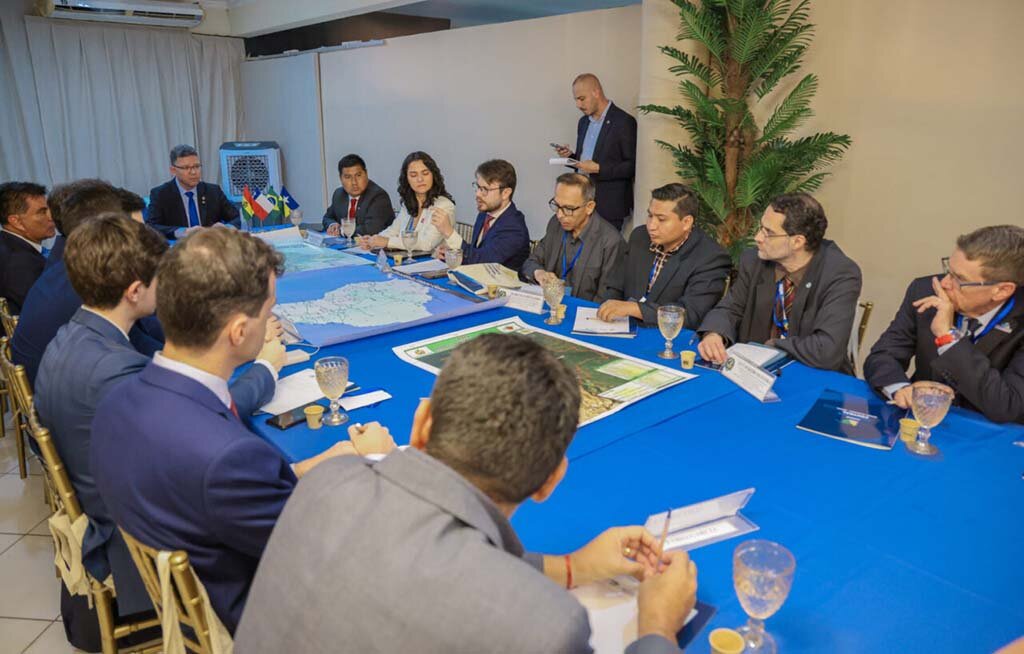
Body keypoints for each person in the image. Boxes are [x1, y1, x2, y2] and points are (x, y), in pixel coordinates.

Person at [235, 333, 698, 654]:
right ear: (550, 481)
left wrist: (573, 567)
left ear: (421, 425)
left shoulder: (326, 481)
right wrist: (658, 627)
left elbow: (421, 563)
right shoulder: (545, 626)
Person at [89, 228, 355, 633]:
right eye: (269, 312)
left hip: (182, 584)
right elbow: (311, 545)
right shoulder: (229, 458)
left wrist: (315, 466)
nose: (272, 323)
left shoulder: (115, 402)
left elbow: (218, 494)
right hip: (254, 617)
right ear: (239, 331)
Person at [34, 213, 167, 649]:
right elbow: (191, 430)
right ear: (134, 291)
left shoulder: (73, 334)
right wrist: (262, 368)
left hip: (100, 498)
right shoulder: (113, 368)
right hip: (130, 541)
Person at [864, 225, 1024, 424]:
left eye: (960, 279)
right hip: (921, 419)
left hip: (987, 432)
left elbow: (1008, 405)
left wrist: (948, 337)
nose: (945, 283)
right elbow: (883, 356)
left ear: (1002, 290)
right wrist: (900, 389)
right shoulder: (925, 291)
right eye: (949, 270)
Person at [12, 181, 162, 386]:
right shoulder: (92, 282)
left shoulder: (71, 265)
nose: (144, 239)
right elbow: (140, 351)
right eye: (136, 232)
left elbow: (140, 331)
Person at [697, 193, 862, 373]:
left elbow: (826, 349)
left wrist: (773, 346)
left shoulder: (840, 274)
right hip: (755, 373)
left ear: (797, 241)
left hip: (812, 374)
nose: (757, 237)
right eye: (761, 228)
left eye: (768, 233)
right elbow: (729, 309)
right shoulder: (754, 261)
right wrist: (714, 333)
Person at [599, 183, 730, 328]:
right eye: (650, 216)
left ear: (686, 222)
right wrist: (607, 310)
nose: (651, 226)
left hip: (669, 335)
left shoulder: (710, 257)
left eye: (661, 219)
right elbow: (616, 286)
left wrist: (636, 309)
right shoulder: (639, 236)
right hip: (621, 327)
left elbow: (691, 315)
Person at [520, 173, 623, 302]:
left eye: (568, 209)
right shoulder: (555, 224)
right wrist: (539, 273)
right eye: (556, 205)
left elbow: (607, 298)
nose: (560, 215)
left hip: (585, 311)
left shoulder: (610, 242)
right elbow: (530, 262)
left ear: (589, 207)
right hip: (551, 303)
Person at [553, 73, 637, 231]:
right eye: (576, 100)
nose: (578, 105)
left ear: (596, 92)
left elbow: (632, 166)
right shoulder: (583, 122)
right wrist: (570, 157)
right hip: (580, 202)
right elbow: (585, 161)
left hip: (608, 206)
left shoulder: (624, 122)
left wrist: (599, 169)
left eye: (582, 99)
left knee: (604, 247)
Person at [434, 159, 531, 271]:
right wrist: (451, 254)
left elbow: (483, 261)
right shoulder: (484, 214)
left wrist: (449, 233)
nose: (478, 194)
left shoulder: (514, 228)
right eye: (478, 187)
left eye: (485, 189)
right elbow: (474, 255)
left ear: (505, 193)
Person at [358, 151, 455, 254]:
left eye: (425, 173)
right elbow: (394, 230)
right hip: (407, 259)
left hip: (434, 261)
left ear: (433, 175)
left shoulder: (444, 205)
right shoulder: (409, 203)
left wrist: (387, 242)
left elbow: (427, 244)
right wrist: (374, 239)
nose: (420, 179)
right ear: (407, 179)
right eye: (413, 175)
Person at [145, 144, 239, 239]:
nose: (194, 172)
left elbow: (237, 217)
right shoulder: (161, 194)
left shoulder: (213, 191)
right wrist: (182, 232)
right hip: (179, 246)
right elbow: (151, 226)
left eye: (196, 166)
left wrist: (227, 228)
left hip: (211, 244)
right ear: (173, 170)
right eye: (186, 168)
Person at [0, 181, 56, 314]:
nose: (51, 217)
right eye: (42, 212)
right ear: (17, 222)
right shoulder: (20, 263)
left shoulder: (7, 244)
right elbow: (49, 313)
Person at [322, 153, 395, 237]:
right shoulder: (339, 194)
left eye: (358, 175)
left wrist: (341, 231)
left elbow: (370, 229)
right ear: (340, 178)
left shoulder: (379, 197)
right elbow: (327, 217)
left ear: (366, 174)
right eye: (348, 177)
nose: (354, 182)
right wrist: (333, 225)